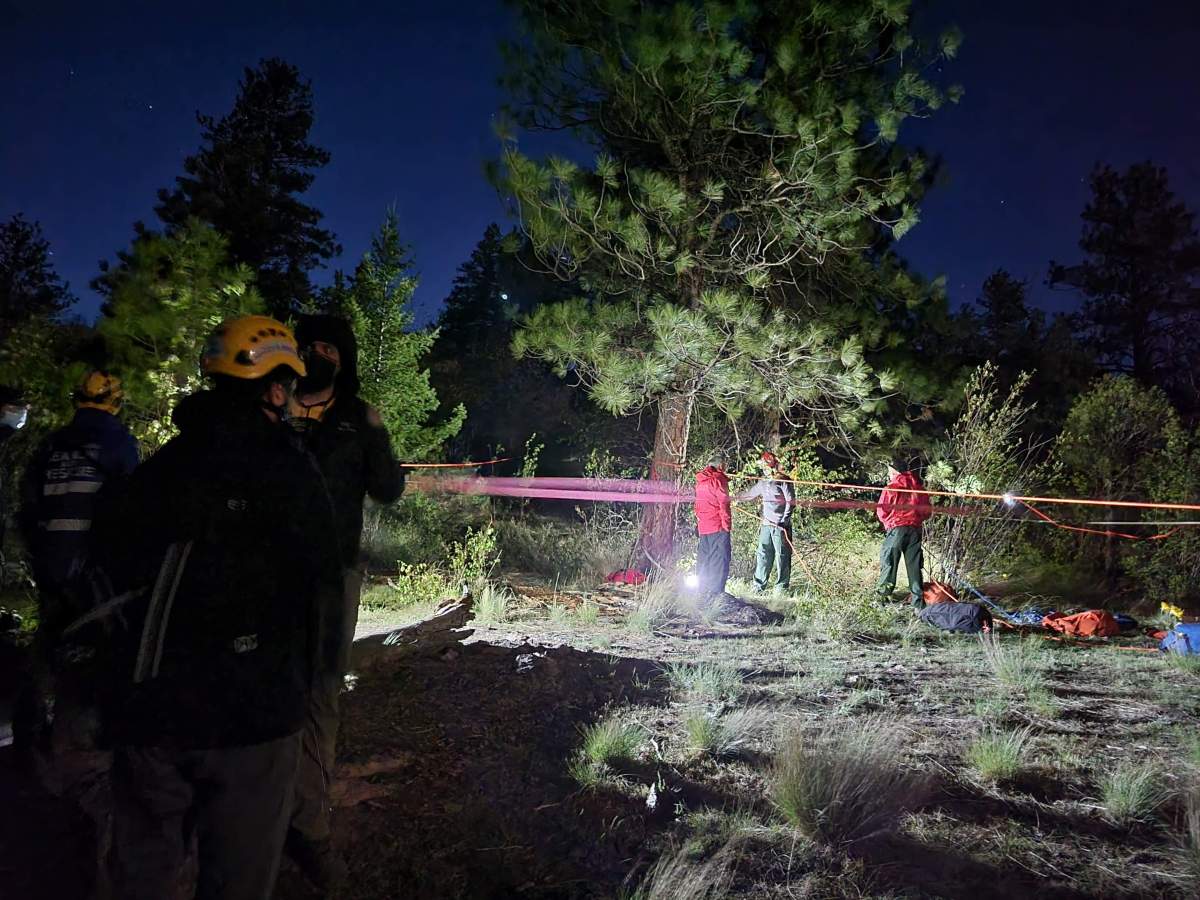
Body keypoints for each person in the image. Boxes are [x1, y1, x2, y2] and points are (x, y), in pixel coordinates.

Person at [93, 315, 343, 900]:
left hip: (152, 716)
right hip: (254, 722)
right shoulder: (291, 473)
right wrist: (312, 685)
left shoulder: (157, 471)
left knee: (143, 876)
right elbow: (323, 584)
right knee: (238, 879)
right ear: (276, 389)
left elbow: (111, 566)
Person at [286, 314, 404, 887]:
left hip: (333, 575)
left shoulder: (357, 418)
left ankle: (308, 823)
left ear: (344, 357)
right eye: (307, 345)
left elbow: (388, 488)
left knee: (320, 693)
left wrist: (377, 434)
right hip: (265, 576)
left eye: (327, 346)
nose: (316, 354)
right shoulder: (274, 405)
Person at [16, 371, 138, 761]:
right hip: (93, 571)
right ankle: (78, 749)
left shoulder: (52, 444)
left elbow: (29, 504)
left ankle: (28, 736)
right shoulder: (118, 442)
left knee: (47, 644)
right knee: (92, 652)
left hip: (50, 563)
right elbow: (129, 506)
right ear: (115, 402)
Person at [875, 458, 933, 608]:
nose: (888, 474)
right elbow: (927, 512)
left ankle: (883, 599)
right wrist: (915, 519)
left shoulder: (891, 488)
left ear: (894, 471)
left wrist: (890, 523)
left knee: (889, 563)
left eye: (889, 471)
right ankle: (918, 604)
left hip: (896, 529)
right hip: (914, 530)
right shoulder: (919, 488)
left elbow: (882, 511)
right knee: (914, 567)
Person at [738, 451, 795, 595]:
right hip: (766, 525)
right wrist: (733, 498)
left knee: (782, 555)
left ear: (770, 465)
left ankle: (781, 588)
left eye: (764, 465)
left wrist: (784, 520)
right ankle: (758, 586)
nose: (762, 468)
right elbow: (749, 494)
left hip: (781, 526)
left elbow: (791, 502)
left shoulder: (784, 481)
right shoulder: (763, 483)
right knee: (763, 553)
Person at [694, 452, 733, 602]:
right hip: (717, 526)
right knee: (720, 558)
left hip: (704, 526)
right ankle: (716, 593)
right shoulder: (718, 480)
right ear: (720, 465)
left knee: (705, 558)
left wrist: (699, 523)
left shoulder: (700, 481)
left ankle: (702, 590)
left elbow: (697, 505)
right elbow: (724, 504)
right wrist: (727, 525)